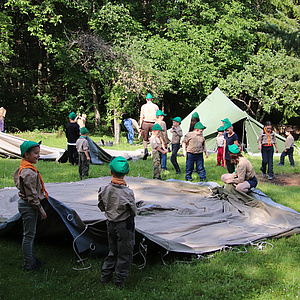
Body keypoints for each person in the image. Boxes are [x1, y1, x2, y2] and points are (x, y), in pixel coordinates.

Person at [98, 156, 137, 287]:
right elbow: (133, 210)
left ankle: (105, 277)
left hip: (110, 224)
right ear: (127, 172)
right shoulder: (127, 192)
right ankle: (119, 281)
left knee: (112, 251)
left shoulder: (104, 189)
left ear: (111, 172)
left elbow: (101, 205)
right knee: (124, 253)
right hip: (124, 226)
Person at [14, 141, 48, 271]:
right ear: (26, 155)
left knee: (30, 234)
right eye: (35, 153)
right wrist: (41, 210)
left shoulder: (26, 167)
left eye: (39, 153)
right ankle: (29, 264)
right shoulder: (28, 173)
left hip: (28, 205)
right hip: (29, 206)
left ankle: (32, 258)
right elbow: (32, 196)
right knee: (28, 236)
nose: (38, 156)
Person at [139, 93, 159, 160]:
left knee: (145, 138)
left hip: (145, 123)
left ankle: (145, 150)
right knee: (153, 137)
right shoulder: (155, 106)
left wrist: (140, 126)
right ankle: (154, 150)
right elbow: (158, 116)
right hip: (153, 123)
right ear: (152, 99)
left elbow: (141, 117)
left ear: (146, 99)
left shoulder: (143, 107)